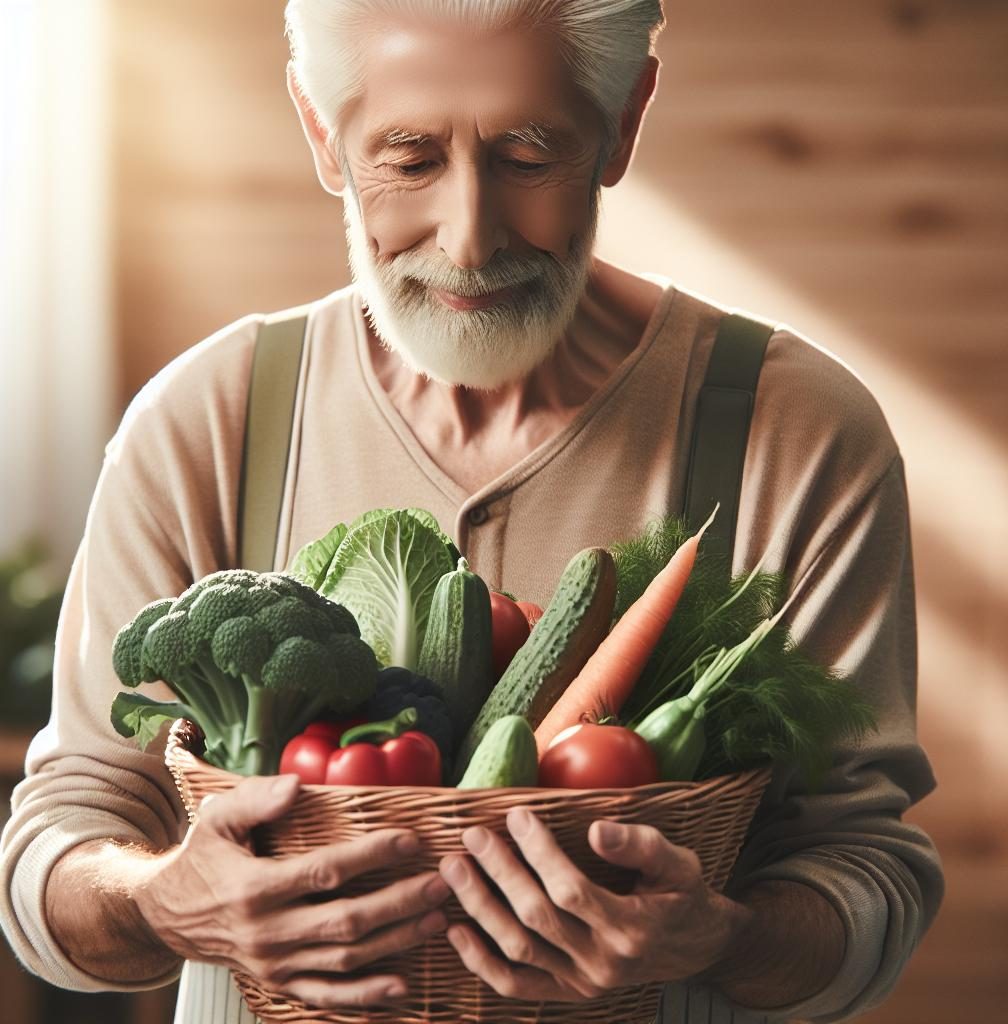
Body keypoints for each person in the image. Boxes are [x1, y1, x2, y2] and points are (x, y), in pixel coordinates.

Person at [0, 2, 944, 1022]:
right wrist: (160, 903)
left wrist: (723, 936)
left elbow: (866, 869)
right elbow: (58, 849)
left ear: (623, 123)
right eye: (408, 160)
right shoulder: (208, 419)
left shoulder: (796, 428)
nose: (469, 237)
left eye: (527, 154)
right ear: (323, 132)